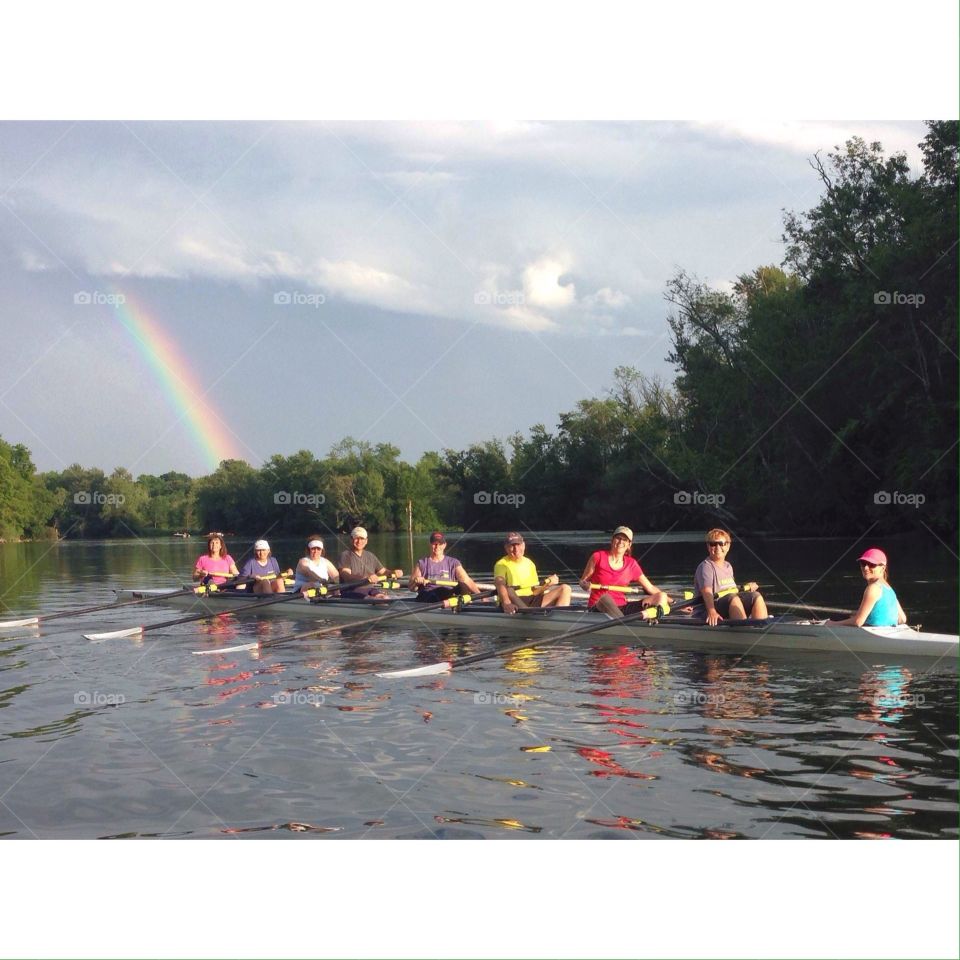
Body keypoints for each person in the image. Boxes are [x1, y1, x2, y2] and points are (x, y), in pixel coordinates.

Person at [578, 526, 670, 618]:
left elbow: (650, 587)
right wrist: (585, 586)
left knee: (661, 596)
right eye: (618, 538)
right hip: (598, 606)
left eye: (625, 540)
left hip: (622, 608)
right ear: (612, 540)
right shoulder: (598, 557)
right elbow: (583, 581)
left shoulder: (632, 564)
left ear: (629, 544)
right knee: (605, 598)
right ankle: (626, 624)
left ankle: (651, 619)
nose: (621, 542)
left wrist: (672, 601)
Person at [693, 528, 767, 626]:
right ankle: (744, 632)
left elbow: (730, 589)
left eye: (721, 544)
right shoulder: (706, 567)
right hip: (707, 611)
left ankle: (761, 627)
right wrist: (712, 611)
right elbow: (707, 592)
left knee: (756, 596)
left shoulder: (728, 566)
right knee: (733, 598)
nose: (717, 547)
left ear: (728, 546)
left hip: (727, 604)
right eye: (713, 544)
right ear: (708, 547)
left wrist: (746, 588)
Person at [493, 532, 571, 614]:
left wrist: (547, 584)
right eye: (512, 546)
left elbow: (535, 591)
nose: (516, 549)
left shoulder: (529, 563)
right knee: (509, 590)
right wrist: (506, 603)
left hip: (531, 599)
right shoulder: (501, 564)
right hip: (514, 600)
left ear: (523, 545)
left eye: (518, 545)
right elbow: (499, 584)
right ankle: (530, 614)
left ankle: (559, 618)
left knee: (565, 588)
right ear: (506, 548)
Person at [832, 548, 907, 628]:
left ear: (883, 568)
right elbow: (902, 619)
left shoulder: (873, 588)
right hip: (888, 632)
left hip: (874, 635)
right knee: (840, 617)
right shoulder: (889, 589)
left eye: (872, 564)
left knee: (834, 619)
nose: (866, 568)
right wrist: (873, 616)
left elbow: (858, 622)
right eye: (863, 563)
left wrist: (832, 624)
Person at [409, 531, 482, 606]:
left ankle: (464, 605)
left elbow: (466, 580)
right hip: (429, 596)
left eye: (440, 544)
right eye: (434, 544)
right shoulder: (422, 563)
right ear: (430, 544)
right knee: (434, 594)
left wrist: (481, 597)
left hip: (448, 595)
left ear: (444, 545)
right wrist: (417, 581)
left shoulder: (453, 562)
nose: (437, 546)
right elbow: (411, 588)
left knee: (462, 586)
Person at [338, 526, 403, 600]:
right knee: (373, 599)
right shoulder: (345, 555)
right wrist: (365, 578)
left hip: (369, 589)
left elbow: (383, 572)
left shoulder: (370, 556)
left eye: (362, 539)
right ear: (351, 539)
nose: (359, 541)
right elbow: (346, 575)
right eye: (356, 538)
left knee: (385, 598)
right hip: (350, 590)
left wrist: (394, 572)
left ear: (366, 541)